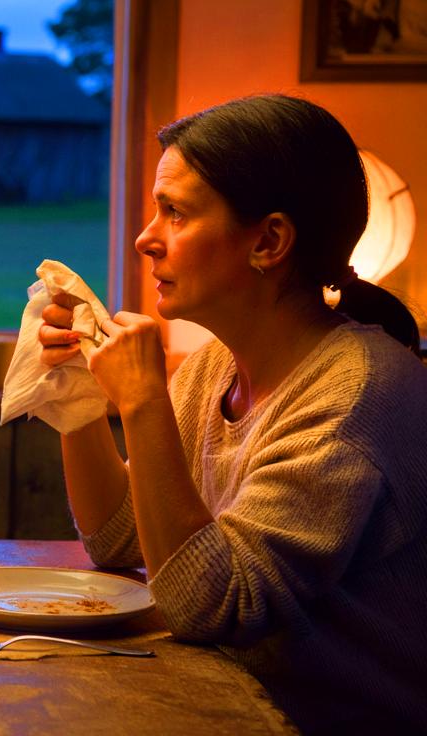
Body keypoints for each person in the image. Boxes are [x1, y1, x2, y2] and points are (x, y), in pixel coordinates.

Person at [38, 94, 427, 732]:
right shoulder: (217, 366)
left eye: (175, 212)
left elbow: (210, 606)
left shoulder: (355, 398)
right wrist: (78, 397)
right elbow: (119, 541)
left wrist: (141, 400)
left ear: (269, 240)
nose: (144, 238)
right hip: (226, 706)